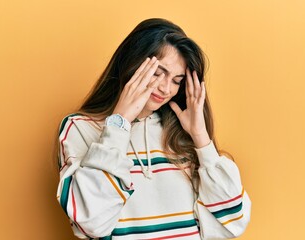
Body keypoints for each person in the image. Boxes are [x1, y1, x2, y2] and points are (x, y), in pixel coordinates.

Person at [56, 18, 251, 239]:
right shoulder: (81, 128)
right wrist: (119, 123)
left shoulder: (179, 134)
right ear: (132, 64)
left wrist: (201, 138)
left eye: (177, 80)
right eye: (158, 73)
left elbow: (233, 222)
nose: (166, 88)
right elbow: (90, 221)